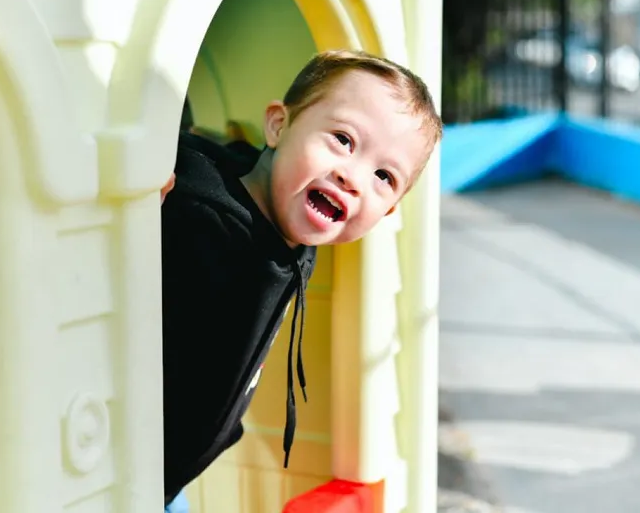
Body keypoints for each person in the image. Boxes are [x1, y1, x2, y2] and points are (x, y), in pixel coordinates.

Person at [158, 50, 442, 511]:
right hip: (127, 462)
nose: (353, 177)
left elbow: (236, 154)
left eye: (384, 176)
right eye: (343, 139)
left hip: (175, 474)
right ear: (278, 126)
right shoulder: (199, 212)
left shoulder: (292, 220)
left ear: (388, 210)